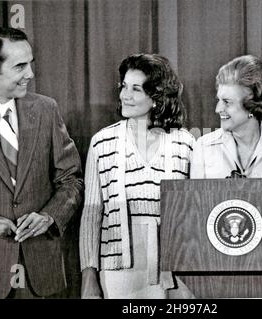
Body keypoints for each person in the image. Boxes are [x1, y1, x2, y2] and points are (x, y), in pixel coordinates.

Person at [0, 27, 83, 298]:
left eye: (30, 63)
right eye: (20, 66)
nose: (30, 74)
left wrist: (49, 216)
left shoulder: (46, 109)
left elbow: (71, 179)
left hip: (40, 273)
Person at [79, 53, 195, 299]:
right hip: (117, 276)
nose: (124, 95)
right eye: (123, 86)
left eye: (135, 89)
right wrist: (89, 276)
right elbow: (91, 215)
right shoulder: (102, 143)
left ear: (156, 96)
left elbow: (194, 218)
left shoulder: (185, 144)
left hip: (172, 277)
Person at [191, 55, 262, 179]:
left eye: (227, 102)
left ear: (253, 105)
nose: (218, 109)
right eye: (219, 100)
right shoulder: (203, 148)